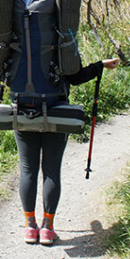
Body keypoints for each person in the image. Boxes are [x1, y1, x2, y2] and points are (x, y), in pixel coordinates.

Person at [17, 57, 120, 245]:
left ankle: (30, 227)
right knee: (52, 170)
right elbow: (76, 76)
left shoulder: (18, 32)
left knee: (27, 169)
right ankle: (47, 229)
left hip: (23, 109)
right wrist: (99, 66)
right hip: (58, 111)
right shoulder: (62, 31)